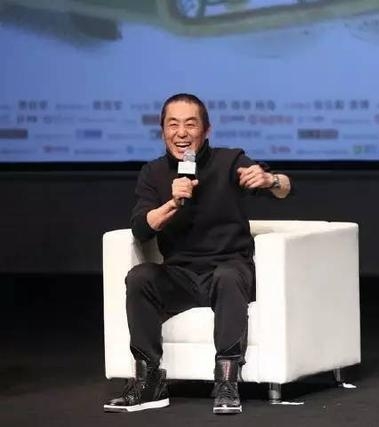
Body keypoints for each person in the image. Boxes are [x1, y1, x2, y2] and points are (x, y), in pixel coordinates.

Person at [104, 93, 292, 415]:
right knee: (140, 277)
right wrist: (172, 203)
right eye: (173, 125)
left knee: (228, 276)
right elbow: (141, 227)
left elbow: (286, 188)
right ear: (162, 130)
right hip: (182, 277)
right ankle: (149, 381)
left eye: (191, 125)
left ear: (206, 130)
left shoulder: (230, 160)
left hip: (230, 270)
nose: (181, 133)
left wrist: (269, 179)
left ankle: (227, 382)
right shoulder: (153, 173)